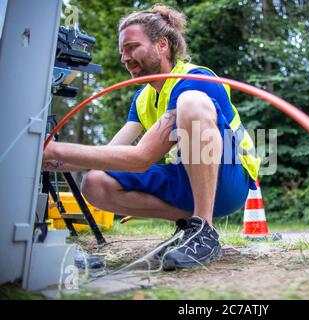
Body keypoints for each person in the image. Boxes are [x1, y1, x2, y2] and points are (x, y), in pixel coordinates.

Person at [43, 4, 260, 270]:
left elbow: (142, 158)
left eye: (132, 47)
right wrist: (44, 158)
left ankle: (204, 230)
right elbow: (109, 155)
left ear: (162, 45)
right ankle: (189, 227)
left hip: (229, 181)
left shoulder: (196, 79)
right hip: (184, 180)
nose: (125, 57)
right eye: (122, 51)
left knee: (190, 103)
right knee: (95, 182)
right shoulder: (143, 98)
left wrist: (56, 151)